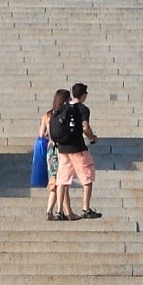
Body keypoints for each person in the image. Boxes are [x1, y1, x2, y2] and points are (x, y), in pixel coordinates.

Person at [53, 81, 99, 219]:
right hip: (77, 148)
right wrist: (92, 137)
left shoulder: (63, 107)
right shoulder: (83, 109)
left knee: (62, 180)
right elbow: (85, 127)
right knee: (87, 177)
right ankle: (86, 209)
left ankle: (59, 211)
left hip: (62, 148)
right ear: (84, 95)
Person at [37, 87, 69, 222]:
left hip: (50, 150)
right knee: (60, 182)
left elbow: (41, 135)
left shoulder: (47, 116)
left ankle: (63, 211)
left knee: (55, 182)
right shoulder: (64, 116)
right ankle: (52, 210)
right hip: (62, 149)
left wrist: (48, 133)